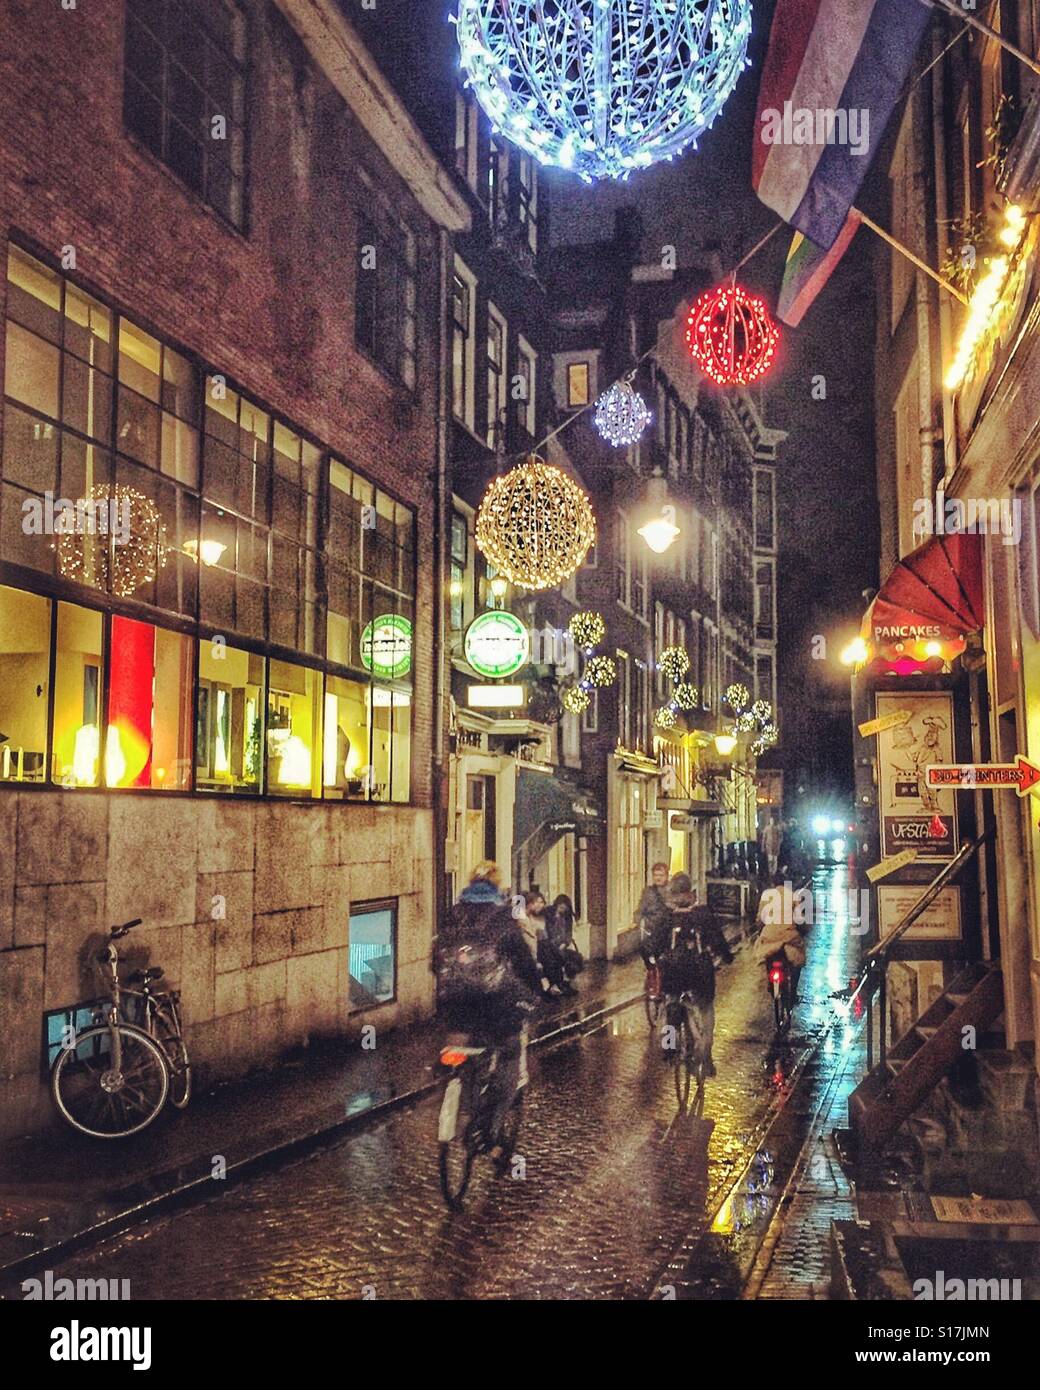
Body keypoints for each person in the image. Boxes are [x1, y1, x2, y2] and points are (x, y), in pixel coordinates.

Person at [433, 863, 545, 1150]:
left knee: (461, 1047)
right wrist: (535, 991)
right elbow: (523, 962)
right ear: (497, 886)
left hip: (454, 1002)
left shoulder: (452, 914)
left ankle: (460, 1092)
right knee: (509, 1051)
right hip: (494, 1002)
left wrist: (448, 987)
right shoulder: (502, 918)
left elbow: (436, 958)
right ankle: (492, 1125)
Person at [659, 874, 734, 1076]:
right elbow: (718, 941)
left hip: (673, 972)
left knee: (669, 1003)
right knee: (706, 1007)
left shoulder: (666, 917)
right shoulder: (703, 915)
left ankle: (669, 1047)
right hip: (700, 971)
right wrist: (726, 957)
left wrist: (651, 960)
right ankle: (706, 1054)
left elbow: (651, 945)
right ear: (690, 892)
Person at [755, 872, 809, 1003]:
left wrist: (760, 929)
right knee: (798, 960)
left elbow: (760, 918)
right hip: (788, 937)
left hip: (770, 935)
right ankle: (793, 993)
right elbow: (799, 919)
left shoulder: (767, 896)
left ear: (773, 884)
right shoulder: (793, 896)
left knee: (768, 954)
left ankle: (770, 982)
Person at [635, 862, 673, 966]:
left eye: (661, 875)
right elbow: (640, 910)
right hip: (652, 929)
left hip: (669, 930)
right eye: (656, 875)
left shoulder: (672, 890)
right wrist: (639, 924)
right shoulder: (648, 892)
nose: (658, 878)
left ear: (666, 876)